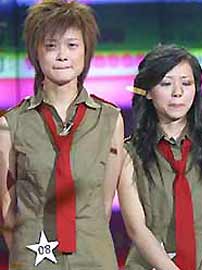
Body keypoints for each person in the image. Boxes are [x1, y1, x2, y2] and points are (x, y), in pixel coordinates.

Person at [0, 0, 124, 269]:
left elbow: (104, 201)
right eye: (51, 45)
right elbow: (7, 207)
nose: (62, 55)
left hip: (93, 256)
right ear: (36, 53)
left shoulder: (109, 119)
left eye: (72, 45)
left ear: (86, 51)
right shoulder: (12, 124)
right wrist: (28, 247)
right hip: (33, 257)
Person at [118, 44, 202, 270]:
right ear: (149, 91)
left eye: (186, 83)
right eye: (166, 83)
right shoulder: (128, 153)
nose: (177, 92)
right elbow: (137, 229)